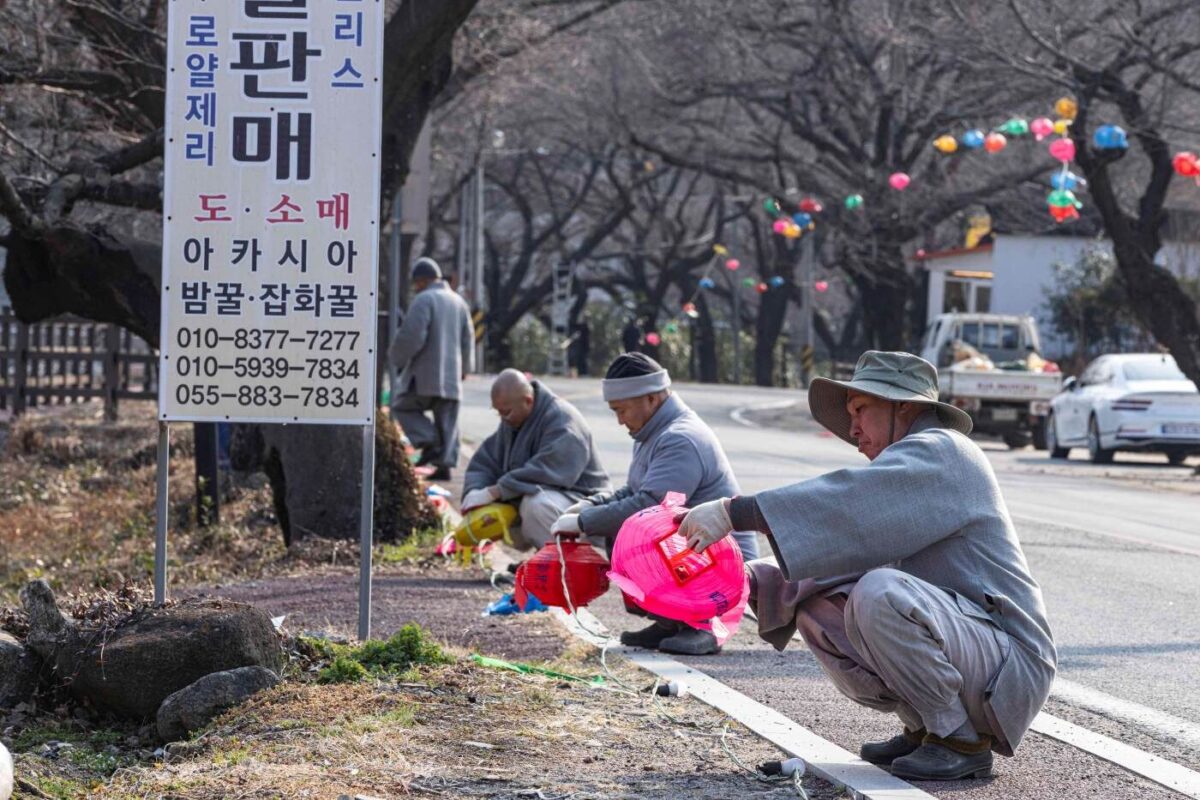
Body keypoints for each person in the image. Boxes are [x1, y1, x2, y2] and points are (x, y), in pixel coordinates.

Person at [678, 351, 1056, 781]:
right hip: (979, 654)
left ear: (905, 406)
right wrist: (738, 579)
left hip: (1010, 666)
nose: (853, 429)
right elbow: (837, 556)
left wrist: (734, 512)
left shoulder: (945, 452)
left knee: (879, 592)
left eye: (861, 410)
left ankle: (959, 740)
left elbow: (843, 504)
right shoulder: (914, 464)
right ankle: (925, 725)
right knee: (812, 605)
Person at [550, 352, 759, 656]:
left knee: (630, 527)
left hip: (725, 568)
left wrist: (584, 523)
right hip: (699, 553)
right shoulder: (653, 432)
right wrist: (588, 506)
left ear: (649, 398)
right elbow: (633, 491)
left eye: (621, 410)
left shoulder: (680, 438)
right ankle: (671, 621)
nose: (619, 420)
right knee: (621, 529)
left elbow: (649, 505)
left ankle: (706, 624)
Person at [461, 369, 611, 550]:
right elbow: (486, 462)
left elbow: (548, 470)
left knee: (535, 505)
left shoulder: (562, 419)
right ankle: (545, 559)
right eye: (498, 412)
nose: (502, 419)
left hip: (586, 501)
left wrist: (496, 491)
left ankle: (567, 564)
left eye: (506, 412)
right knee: (504, 508)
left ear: (528, 401)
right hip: (558, 500)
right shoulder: (512, 420)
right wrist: (475, 491)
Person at [388, 257, 474, 481]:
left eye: (417, 283)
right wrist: (465, 367)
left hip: (425, 373)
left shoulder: (424, 300)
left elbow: (412, 336)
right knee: (448, 421)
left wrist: (396, 358)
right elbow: (468, 338)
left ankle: (428, 440)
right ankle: (444, 466)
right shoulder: (458, 302)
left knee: (401, 405)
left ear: (422, 281)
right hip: (452, 374)